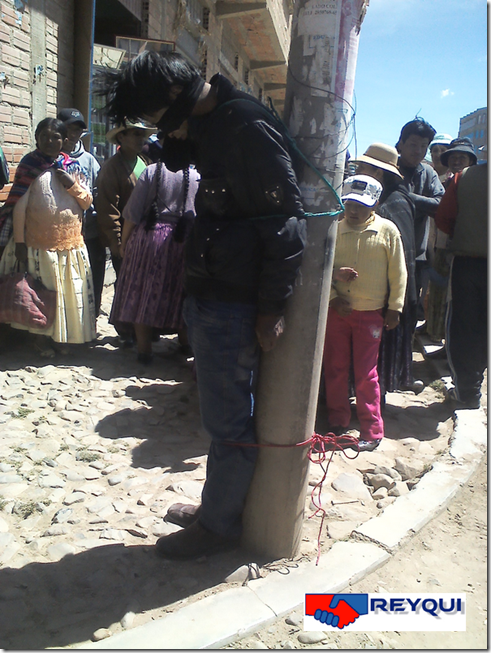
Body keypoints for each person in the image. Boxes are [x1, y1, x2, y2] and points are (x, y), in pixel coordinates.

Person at [99, 50, 306, 558]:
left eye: (153, 116)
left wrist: (270, 310)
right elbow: (182, 170)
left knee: (229, 423)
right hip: (212, 292)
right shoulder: (211, 124)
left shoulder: (243, 126)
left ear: (173, 95)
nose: (153, 128)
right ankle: (217, 508)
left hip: (234, 304)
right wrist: (175, 136)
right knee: (219, 419)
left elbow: (285, 224)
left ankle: (218, 528)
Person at [323, 175, 407, 452]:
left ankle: (371, 429)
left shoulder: (387, 231)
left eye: (361, 204)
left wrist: (395, 306)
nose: (354, 210)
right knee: (335, 367)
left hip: (370, 315)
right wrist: (334, 295)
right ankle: (337, 420)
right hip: (339, 313)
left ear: (375, 204)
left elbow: (398, 272)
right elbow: (322, 269)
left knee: (365, 373)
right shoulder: (334, 229)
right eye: (349, 203)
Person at [0, 118, 96, 355]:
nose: (50, 141)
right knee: (41, 294)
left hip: (69, 245)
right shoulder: (29, 165)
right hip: (38, 244)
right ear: (36, 138)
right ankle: (40, 340)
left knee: (66, 295)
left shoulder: (72, 166)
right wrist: (20, 242)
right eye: (45, 136)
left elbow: (86, 202)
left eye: (56, 137)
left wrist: (71, 184)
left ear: (65, 141)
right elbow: (19, 206)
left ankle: (62, 338)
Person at [110, 160, 199, 363]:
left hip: (148, 240)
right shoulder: (196, 177)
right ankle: (185, 344)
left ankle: (144, 350)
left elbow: (132, 213)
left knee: (142, 291)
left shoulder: (151, 171)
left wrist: (124, 243)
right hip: (183, 240)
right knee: (180, 292)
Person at [352, 143, 421, 396]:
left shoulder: (393, 204)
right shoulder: (387, 199)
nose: (357, 171)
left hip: (386, 297)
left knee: (377, 362)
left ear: (378, 174)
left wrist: (394, 304)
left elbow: (398, 260)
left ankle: (372, 413)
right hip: (379, 294)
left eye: (363, 167)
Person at [94, 121, 155, 342]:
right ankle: (126, 330)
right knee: (125, 284)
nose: (141, 139)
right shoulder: (112, 168)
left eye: (143, 135)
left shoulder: (145, 163)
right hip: (125, 238)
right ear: (121, 138)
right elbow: (108, 207)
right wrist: (116, 241)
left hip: (145, 237)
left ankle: (144, 329)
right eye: (136, 134)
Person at [434, 162, 487, 409]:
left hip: (469, 262)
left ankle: (468, 391)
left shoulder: (463, 178)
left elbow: (444, 219)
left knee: (464, 327)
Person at [426, 137, 478, 347]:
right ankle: (443, 343)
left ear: (471, 160)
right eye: (453, 157)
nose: (456, 161)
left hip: (465, 252)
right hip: (442, 248)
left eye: (462, 157)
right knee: (440, 296)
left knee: (457, 301)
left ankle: (453, 348)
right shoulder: (444, 182)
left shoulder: (475, 185)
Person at [396, 119, 444, 326]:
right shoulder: (389, 170)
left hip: (416, 255)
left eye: (424, 146)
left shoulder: (429, 173)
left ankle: (403, 354)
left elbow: (439, 204)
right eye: (413, 145)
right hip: (386, 252)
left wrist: (406, 198)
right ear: (401, 144)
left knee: (409, 309)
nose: (418, 151)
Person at [57, 108, 105, 318]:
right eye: (68, 129)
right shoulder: (51, 158)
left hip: (89, 230)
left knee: (93, 273)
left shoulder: (89, 161)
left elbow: (98, 193)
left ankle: (91, 315)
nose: (72, 134)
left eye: (77, 130)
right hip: (60, 232)